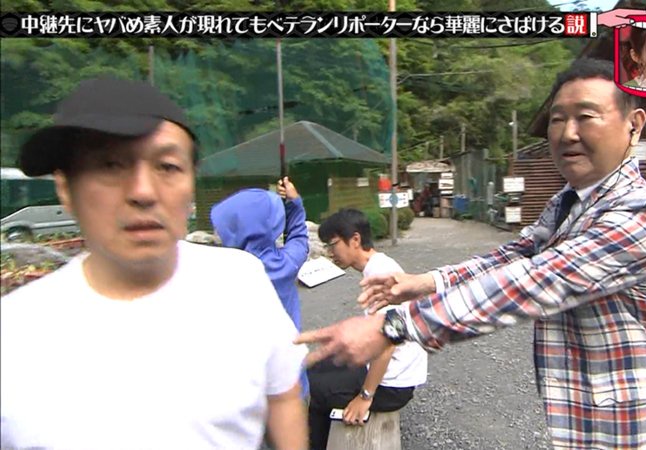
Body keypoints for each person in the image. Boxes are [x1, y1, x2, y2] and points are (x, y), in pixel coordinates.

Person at [296, 58, 646, 449]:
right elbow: (514, 257)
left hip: (644, 428)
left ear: (634, 125)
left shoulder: (645, 211)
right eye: (557, 119)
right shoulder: (568, 202)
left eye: (586, 116)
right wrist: (426, 282)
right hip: (589, 422)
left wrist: (393, 326)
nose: (567, 133)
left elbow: (537, 280)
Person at [0, 77, 308, 450]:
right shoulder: (13, 332)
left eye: (167, 166)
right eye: (109, 165)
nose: (143, 192)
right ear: (65, 188)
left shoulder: (241, 280)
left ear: (191, 182)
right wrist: (296, 206)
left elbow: (284, 395)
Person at [307, 208, 428, 450]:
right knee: (318, 366)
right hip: (391, 372)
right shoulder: (379, 265)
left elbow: (388, 344)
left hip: (392, 386)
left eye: (333, 244)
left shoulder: (382, 275)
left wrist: (365, 397)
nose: (330, 253)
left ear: (355, 239)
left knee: (315, 388)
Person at [211, 181, 311, 398]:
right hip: (288, 382)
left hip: (241, 388)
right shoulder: (284, 265)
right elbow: (299, 238)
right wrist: (294, 203)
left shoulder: (218, 271)